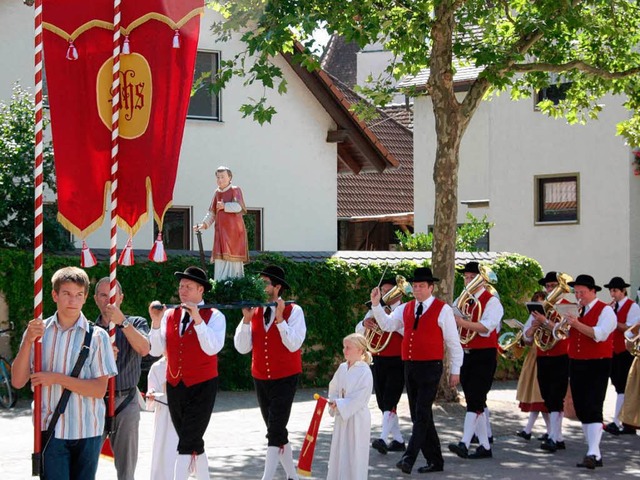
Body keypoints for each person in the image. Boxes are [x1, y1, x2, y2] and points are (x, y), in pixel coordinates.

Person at [11, 266, 118, 480]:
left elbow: (98, 390)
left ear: (86, 297)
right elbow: (17, 381)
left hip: (88, 429)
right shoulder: (39, 333)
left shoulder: (97, 336)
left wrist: (56, 378)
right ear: (54, 295)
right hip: (52, 429)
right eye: (67, 294)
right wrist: (27, 341)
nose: (73, 300)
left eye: (79, 295)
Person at [371, 266, 463, 474]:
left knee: (421, 414)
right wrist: (376, 305)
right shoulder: (406, 308)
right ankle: (435, 460)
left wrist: (455, 370)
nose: (417, 289)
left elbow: (453, 343)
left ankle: (408, 458)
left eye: (422, 286)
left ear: (431, 287)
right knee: (419, 415)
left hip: (431, 367)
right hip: (410, 366)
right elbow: (387, 325)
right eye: (415, 286)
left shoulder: (443, 309)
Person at [149, 266, 226, 480]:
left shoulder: (215, 316)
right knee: (191, 439)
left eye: (188, 287)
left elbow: (212, 347)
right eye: (181, 286)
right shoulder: (170, 315)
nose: (182, 290)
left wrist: (198, 320)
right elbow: (155, 350)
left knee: (185, 442)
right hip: (175, 385)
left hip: (203, 385)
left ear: (201, 290)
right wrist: (155, 321)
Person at [234, 265, 306, 480]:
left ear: (277, 287)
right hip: (260, 377)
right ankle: (292, 476)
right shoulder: (254, 310)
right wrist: (246, 320)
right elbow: (242, 347)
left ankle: (267, 477)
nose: (260, 285)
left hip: (285, 377)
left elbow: (293, 344)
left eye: (265, 282)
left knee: (274, 430)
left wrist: (281, 319)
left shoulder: (295, 310)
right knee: (277, 430)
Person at [94, 277, 150, 480]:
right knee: (86, 461)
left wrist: (122, 323)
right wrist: (102, 356)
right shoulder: (90, 330)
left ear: (121, 298)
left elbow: (144, 349)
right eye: (102, 294)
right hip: (95, 401)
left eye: (112, 295)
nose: (108, 299)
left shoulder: (136, 322)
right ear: (95, 299)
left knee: (126, 469)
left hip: (126, 400)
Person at [449, 261, 503, 460]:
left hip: (484, 354)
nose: (469, 280)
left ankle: (464, 442)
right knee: (475, 400)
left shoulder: (492, 302)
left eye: (473, 278)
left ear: (482, 280)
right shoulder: (463, 299)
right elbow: (451, 316)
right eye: (467, 277)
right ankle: (485, 446)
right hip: (466, 353)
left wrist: (462, 322)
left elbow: (487, 327)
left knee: (475, 399)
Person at [565, 274, 616, 469]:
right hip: (577, 362)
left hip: (598, 363)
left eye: (582, 292)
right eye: (576, 292)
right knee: (581, 407)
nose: (579, 296)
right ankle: (594, 452)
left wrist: (576, 323)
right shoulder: (578, 310)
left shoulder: (606, 311)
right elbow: (565, 334)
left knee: (594, 404)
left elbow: (600, 335)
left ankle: (593, 452)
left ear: (593, 291)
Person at [355, 276, 405, 455]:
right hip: (378, 359)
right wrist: (364, 323)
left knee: (391, 398)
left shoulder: (402, 310)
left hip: (398, 360)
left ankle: (383, 438)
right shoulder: (375, 309)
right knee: (383, 401)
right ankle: (398, 440)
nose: (385, 294)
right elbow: (357, 331)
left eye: (389, 291)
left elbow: (398, 329)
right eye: (383, 291)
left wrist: (382, 317)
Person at [522, 272, 571, 453]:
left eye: (553, 286)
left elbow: (564, 332)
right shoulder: (540, 307)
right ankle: (557, 437)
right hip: (543, 356)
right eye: (548, 286)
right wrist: (534, 326)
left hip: (560, 355)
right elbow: (527, 338)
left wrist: (545, 322)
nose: (550, 289)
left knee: (556, 397)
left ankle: (553, 437)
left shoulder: (568, 307)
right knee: (548, 397)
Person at [326, 333, 374, 480]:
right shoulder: (342, 368)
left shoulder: (365, 371)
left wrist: (340, 404)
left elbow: (360, 398)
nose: (344, 350)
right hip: (342, 418)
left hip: (357, 419)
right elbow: (333, 388)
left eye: (348, 347)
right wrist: (333, 401)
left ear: (360, 350)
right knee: (339, 452)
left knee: (355, 454)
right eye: (344, 347)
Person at [194, 165, 249, 280]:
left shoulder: (235, 190)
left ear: (229, 177)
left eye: (222, 177)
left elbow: (240, 207)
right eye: (218, 177)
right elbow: (212, 213)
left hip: (234, 232)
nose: (220, 180)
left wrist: (225, 206)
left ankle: (235, 282)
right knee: (220, 258)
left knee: (232, 259)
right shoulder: (217, 193)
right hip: (220, 232)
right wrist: (204, 224)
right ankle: (220, 282)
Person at [603, 276, 640, 435]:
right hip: (613, 350)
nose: (612, 294)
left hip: (626, 351)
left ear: (623, 291)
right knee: (618, 385)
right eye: (611, 290)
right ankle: (621, 421)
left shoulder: (633, 307)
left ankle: (619, 421)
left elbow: (631, 329)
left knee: (624, 386)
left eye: (615, 290)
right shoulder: (613, 306)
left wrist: (613, 320)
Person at [514, 291, 550, 443]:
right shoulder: (534, 316)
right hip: (535, 355)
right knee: (536, 397)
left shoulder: (553, 314)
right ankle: (548, 431)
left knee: (539, 397)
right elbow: (527, 339)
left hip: (548, 356)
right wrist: (533, 327)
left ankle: (530, 430)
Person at [147, 355, 179, 480]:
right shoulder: (157, 367)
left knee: (177, 452)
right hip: (163, 415)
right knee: (161, 450)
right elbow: (152, 391)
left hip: (182, 414)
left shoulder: (186, 363)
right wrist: (152, 394)